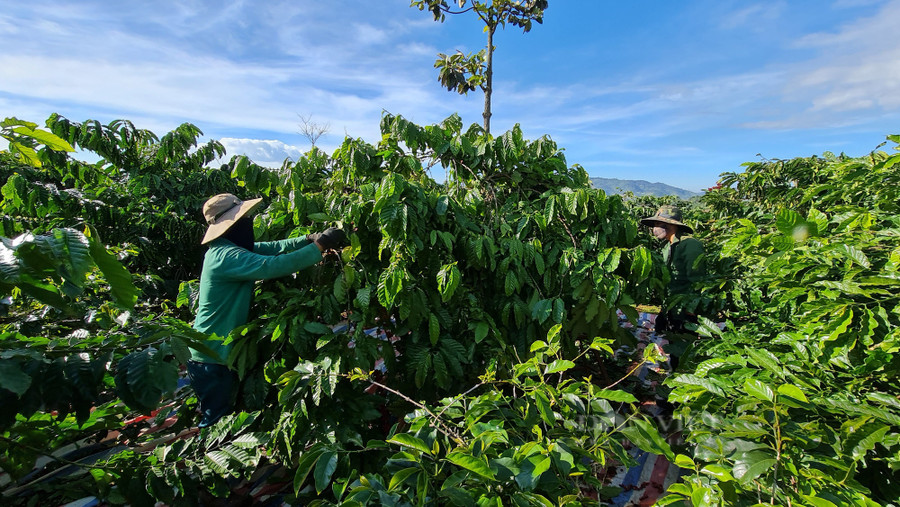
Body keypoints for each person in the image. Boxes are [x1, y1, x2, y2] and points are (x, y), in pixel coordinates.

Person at [188, 193, 346, 427]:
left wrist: (308, 239)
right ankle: (207, 459)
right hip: (211, 356)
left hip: (218, 353)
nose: (248, 222)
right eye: (243, 219)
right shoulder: (226, 256)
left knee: (229, 416)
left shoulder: (230, 248)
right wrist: (320, 246)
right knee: (216, 423)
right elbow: (272, 265)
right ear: (232, 225)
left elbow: (273, 248)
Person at [640, 205, 705, 333]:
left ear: (670, 225)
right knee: (661, 330)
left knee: (680, 343)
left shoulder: (689, 245)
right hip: (670, 304)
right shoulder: (666, 246)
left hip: (683, 307)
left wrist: (691, 308)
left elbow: (698, 280)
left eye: (658, 223)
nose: (655, 228)